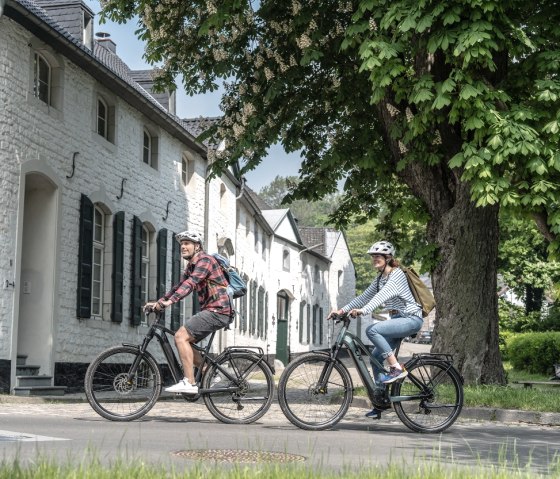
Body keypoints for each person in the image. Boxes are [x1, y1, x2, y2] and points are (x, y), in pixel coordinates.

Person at [331, 240, 423, 418]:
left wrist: (364, 311)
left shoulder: (396, 275)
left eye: (378, 256)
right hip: (398, 319)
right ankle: (380, 402)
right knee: (374, 357)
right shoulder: (381, 278)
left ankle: (397, 368)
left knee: (372, 330)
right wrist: (342, 310)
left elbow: (381, 297)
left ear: (388, 258)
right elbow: (365, 296)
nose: (374, 259)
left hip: (410, 318)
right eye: (373, 257)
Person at [144, 231, 233, 394]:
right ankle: (208, 373)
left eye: (187, 243)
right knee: (185, 341)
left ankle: (190, 382)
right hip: (213, 310)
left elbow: (191, 283)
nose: (183, 247)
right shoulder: (192, 265)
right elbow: (179, 286)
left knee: (180, 336)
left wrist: (170, 302)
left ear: (197, 246)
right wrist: (160, 301)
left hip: (218, 310)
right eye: (182, 244)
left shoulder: (205, 260)